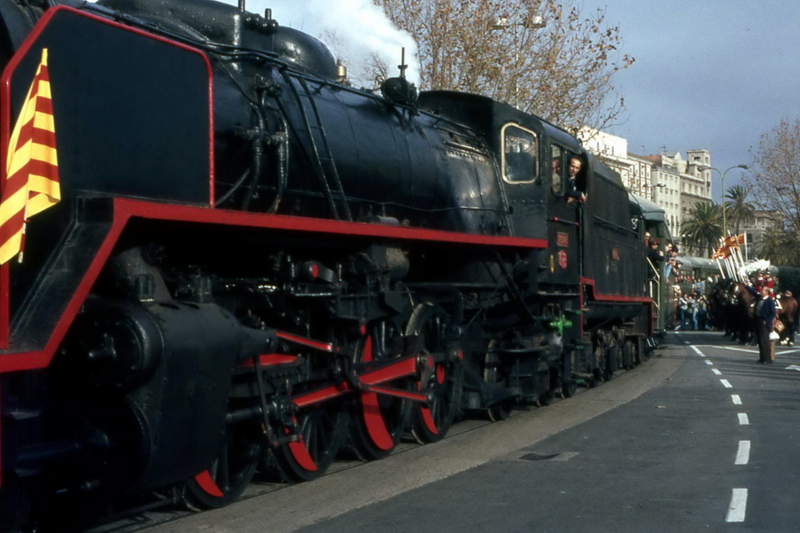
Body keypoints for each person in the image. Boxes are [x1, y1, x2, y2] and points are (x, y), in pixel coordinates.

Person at [750, 285, 777, 364]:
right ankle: (762, 358)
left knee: (764, 341)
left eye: (763, 290)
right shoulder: (759, 298)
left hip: (764, 322)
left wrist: (767, 320)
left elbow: (773, 313)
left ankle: (767, 359)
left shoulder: (770, 301)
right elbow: (753, 292)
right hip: (757, 320)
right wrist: (745, 285)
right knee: (759, 340)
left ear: (767, 292)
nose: (761, 291)